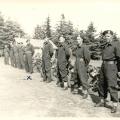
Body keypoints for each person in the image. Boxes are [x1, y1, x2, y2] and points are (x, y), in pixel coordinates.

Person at [95, 30, 120, 113]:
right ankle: (102, 101)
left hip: (111, 66)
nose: (107, 37)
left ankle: (115, 105)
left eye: (108, 36)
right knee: (101, 83)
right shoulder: (105, 46)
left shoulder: (116, 45)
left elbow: (119, 58)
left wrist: (119, 70)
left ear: (112, 37)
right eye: (106, 36)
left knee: (112, 85)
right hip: (103, 66)